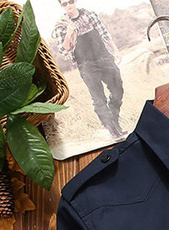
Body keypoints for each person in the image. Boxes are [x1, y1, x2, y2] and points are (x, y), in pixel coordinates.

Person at [52, 0, 127, 140]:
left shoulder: (89, 15)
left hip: (104, 58)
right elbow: (64, 50)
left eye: (70, 1)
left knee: (118, 90)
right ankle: (112, 130)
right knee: (98, 98)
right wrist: (69, 33)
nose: (68, 5)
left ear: (75, 1)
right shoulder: (61, 26)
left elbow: (104, 34)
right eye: (64, 4)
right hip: (86, 65)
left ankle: (114, 121)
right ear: (61, 6)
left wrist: (116, 51)